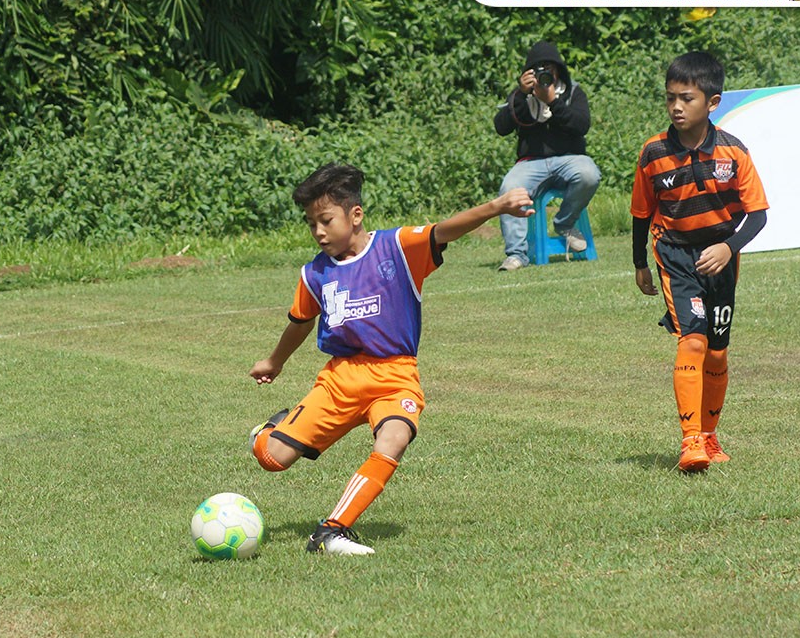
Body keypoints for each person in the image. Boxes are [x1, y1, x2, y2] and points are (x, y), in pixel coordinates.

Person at [248, 163, 533, 555]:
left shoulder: (396, 247)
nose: (318, 231)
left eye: (326, 220)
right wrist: (274, 361)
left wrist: (497, 206)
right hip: (340, 378)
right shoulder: (314, 273)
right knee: (272, 458)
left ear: (355, 214)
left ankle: (331, 532)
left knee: (394, 438)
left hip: (395, 374)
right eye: (311, 223)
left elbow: (443, 230)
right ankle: (273, 429)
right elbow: (300, 322)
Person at [631, 51, 768, 472]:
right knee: (692, 339)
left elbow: (758, 214)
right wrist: (640, 264)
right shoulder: (653, 152)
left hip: (722, 255)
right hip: (676, 254)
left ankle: (710, 437)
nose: (676, 106)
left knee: (718, 352)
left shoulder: (733, 152)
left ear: (712, 102)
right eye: (670, 97)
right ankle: (690, 441)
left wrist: (729, 247)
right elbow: (640, 214)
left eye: (686, 98)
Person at [493, 40, 601, 271]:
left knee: (589, 174)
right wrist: (521, 94)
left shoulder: (573, 91)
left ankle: (564, 223)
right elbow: (501, 127)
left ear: (558, 70)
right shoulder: (520, 95)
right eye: (538, 68)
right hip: (530, 163)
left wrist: (553, 100)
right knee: (510, 188)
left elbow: (582, 125)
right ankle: (516, 254)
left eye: (549, 68)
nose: (544, 72)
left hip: (570, 159)